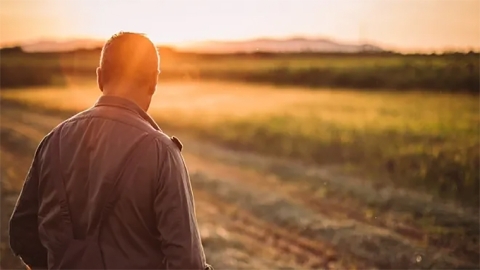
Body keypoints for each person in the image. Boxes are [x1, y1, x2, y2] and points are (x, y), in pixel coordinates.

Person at [9, 32, 212, 270]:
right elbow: (187, 263)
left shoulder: (54, 140)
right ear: (153, 83)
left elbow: (22, 232)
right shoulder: (162, 153)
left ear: (100, 77)